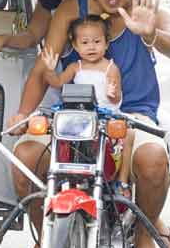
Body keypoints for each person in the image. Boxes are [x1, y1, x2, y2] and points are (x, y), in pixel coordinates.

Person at [9, 0, 170, 248]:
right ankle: (45, 240)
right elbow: (42, 70)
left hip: (133, 117)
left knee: (154, 159)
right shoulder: (72, 9)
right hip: (74, 116)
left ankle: (145, 239)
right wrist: (22, 113)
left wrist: (151, 34)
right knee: (26, 155)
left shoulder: (144, 8)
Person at [0, 0, 85, 248]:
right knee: (25, 160)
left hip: (102, 101)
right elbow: (30, 37)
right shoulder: (48, 3)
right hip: (56, 99)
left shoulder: (98, 0)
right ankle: (43, 239)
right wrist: (6, 40)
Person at [42, 14, 133, 195]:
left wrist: (113, 93)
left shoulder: (110, 68)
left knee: (129, 135)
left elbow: (116, 97)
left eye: (97, 41)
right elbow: (58, 82)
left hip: (107, 116)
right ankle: (62, 177)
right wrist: (50, 69)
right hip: (81, 118)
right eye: (84, 42)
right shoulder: (76, 67)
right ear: (75, 45)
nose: (91, 47)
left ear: (106, 44)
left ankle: (122, 181)